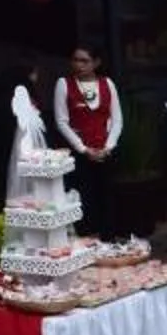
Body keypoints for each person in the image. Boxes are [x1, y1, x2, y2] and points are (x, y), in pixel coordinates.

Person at [51, 44, 125, 238]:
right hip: (79, 152)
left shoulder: (107, 83)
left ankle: (108, 241)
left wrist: (108, 147)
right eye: (75, 60)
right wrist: (83, 149)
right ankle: (86, 241)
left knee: (107, 196)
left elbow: (116, 119)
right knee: (83, 196)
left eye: (84, 61)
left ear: (96, 63)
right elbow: (61, 121)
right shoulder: (64, 84)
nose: (79, 65)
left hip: (105, 150)